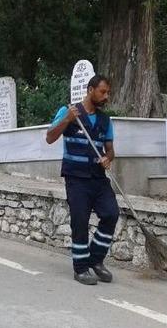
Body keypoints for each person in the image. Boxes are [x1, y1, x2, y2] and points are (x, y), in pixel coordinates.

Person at [45, 75, 119, 285]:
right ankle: (80, 268)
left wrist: (107, 158)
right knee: (80, 222)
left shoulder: (105, 121)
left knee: (111, 214)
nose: (106, 96)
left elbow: (110, 150)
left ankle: (95, 260)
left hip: (98, 178)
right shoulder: (69, 111)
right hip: (76, 178)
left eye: (108, 92)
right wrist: (67, 119)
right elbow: (49, 137)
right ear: (90, 90)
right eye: (102, 92)